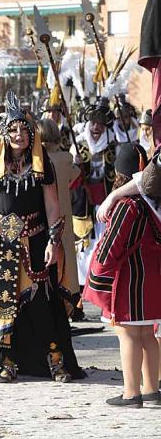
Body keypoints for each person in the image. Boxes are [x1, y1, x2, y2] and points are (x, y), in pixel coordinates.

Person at [0, 91, 83, 383]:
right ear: (5, 134)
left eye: (23, 130)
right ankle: (8, 362)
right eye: (13, 130)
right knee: (2, 303)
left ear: (32, 134)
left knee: (40, 305)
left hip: (34, 242)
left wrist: (54, 243)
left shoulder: (43, 166)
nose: (18, 135)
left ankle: (55, 361)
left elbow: (53, 205)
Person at [85, 144, 160, 407]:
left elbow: (110, 246)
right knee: (148, 335)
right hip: (152, 277)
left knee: (127, 334)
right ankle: (151, 389)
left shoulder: (127, 205)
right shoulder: (154, 202)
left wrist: (97, 273)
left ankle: (132, 392)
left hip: (131, 279)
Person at [70, 101, 116, 316]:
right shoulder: (77, 145)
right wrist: (75, 165)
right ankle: (77, 301)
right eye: (93, 123)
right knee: (83, 253)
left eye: (100, 123)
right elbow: (69, 181)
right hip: (83, 206)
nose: (96, 127)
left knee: (106, 250)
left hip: (108, 205)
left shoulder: (114, 146)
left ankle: (107, 300)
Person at [39, 119, 81, 315]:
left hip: (44, 214)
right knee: (67, 261)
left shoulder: (38, 159)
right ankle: (69, 301)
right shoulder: (65, 158)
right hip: (63, 214)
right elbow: (76, 174)